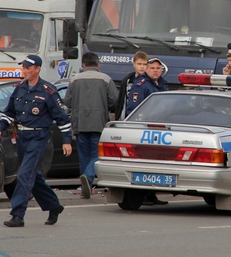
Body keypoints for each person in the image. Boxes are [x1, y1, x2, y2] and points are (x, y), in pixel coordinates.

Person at [0, 54, 72, 227]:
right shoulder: (19, 88)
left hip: (39, 137)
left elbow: (62, 119)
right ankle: (54, 205)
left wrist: (66, 141)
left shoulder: (48, 91)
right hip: (22, 137)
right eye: (24, 67)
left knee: (24, 175)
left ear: (37, 69)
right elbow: (9, 113)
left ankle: (18, 215)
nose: (25, 71)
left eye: (28, 68)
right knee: (33, 176)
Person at [64, 52, 118, 199]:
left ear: (84, 65)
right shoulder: (105, 79)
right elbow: (115, 101)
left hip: (80, 123)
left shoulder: (74, 80)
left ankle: (84, 187)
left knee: (83, 156)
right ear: (98, 64)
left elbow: (67, 101)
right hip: (99, 122)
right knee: (97, 154)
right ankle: (88, 178)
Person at [127, 56, 169, 205]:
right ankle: (143, 194)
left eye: (158, 68)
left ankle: (151, 194)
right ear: (147, 69)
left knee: (158, 162)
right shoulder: (141, 84)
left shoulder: (162, 84)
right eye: (152, 68)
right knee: (146, 162)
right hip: (146, 129)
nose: (156, 70)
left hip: (161, 129)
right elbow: (133, 109)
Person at [114, 51, 149, 120]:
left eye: (144, 64)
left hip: (145, 117)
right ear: (134, 64)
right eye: (139, 64)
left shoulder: (149, 81)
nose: (142, 67)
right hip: (128, 116)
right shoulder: (127, 80)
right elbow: (121, 100)